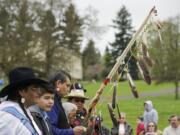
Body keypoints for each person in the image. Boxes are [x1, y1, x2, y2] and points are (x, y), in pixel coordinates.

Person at [0, 67, 51, 135]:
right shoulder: (8, 116)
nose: (39, 92)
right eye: (34, 88)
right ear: (22, 91)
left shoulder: (24, 110)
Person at [47, 70, 84, 135]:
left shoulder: (57, 100)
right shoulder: (51, 102)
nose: (69, 89)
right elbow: (51, 130)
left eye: (82, 101)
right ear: (58, 83)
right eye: (67, 85)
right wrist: (72, 132)